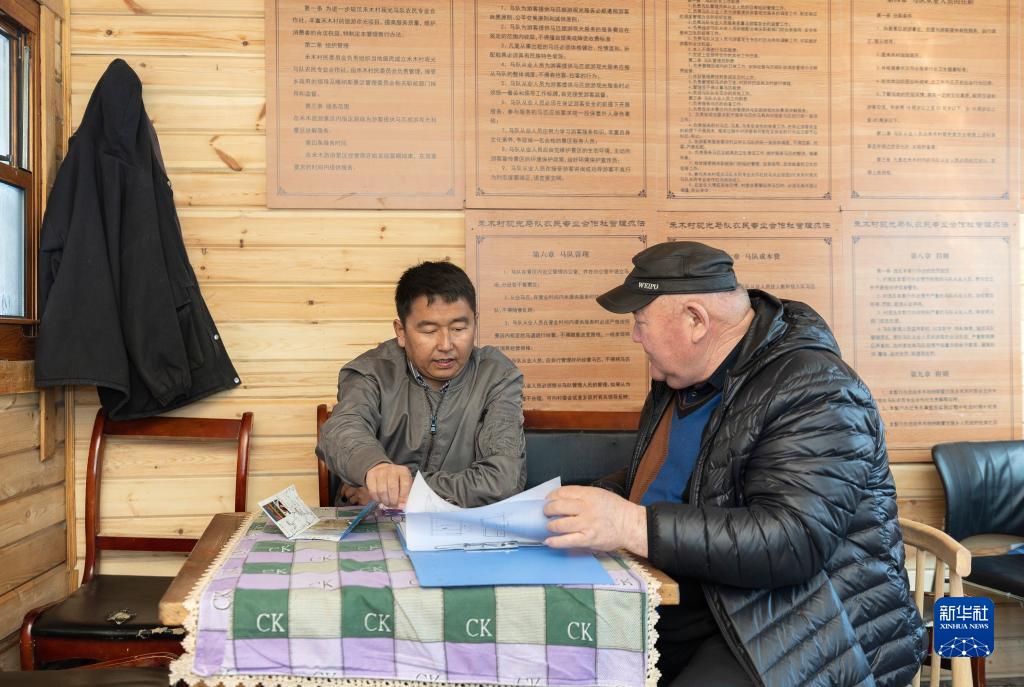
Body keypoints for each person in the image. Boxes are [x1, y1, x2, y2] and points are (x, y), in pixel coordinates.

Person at [544, 241, 925, 687]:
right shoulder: (679, 380)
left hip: (811, 623)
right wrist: (591, 501)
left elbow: (793, 540)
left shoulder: (816, 388)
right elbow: (671, 479)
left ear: (695, 320)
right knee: (558, 654)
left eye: (640, 321)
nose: (634, 336)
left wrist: (630, 524)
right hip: (707, 597)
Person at [316, 261, 526, 509]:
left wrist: (398, 492)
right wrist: (374, 467)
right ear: (401, 331)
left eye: (459, 328)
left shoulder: (497, 376)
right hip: (375, 524)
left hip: (457, 524)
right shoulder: (373, 371)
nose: (446, 345)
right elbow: (342, 429)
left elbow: (503, 479)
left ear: (474, 323)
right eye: (429, 331)